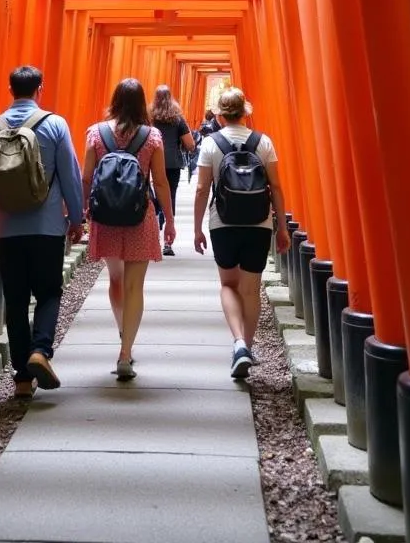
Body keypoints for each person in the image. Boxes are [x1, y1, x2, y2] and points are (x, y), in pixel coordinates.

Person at [0, 65, 84, 399]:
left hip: (6, 228)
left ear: (10, 90)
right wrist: (76, 218)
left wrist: (7, 188)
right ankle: (40, 351)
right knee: (49, 291)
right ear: (40, 89)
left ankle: (21, 379)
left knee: (16, 299)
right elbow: (70, 176)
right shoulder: (55, 125)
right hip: (47, 227)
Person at [193, 87, 289, 380]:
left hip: (223, 222)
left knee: (228, 285)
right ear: (245, 112)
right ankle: (247, 345)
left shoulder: (211, 143)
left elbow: (201, 189)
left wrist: (196, 228)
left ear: (220, 115)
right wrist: (282, 227)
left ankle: (237, 344)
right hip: (258, 223)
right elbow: (276, 187)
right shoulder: (264, 142)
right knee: (251, 288)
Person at [82, 78, 174, 380]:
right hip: (140, 217)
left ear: (115, 100)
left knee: (116, 280)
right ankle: (125, 352)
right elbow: (159, 182)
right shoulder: (152, 137)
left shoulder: (96, 133)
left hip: (106, 218)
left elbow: (86, 178)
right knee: (135, 286)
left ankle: (123, 330)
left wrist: (80, 213)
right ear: (140, 103)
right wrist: (170, 221)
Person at [148, 85, 195, 257]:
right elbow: (190, 144)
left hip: (150, 162)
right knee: (170, 196)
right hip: (172, 163)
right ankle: (167, 242)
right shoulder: (177, 119)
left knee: (150, 197)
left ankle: (152, 235)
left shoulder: (148, 118)